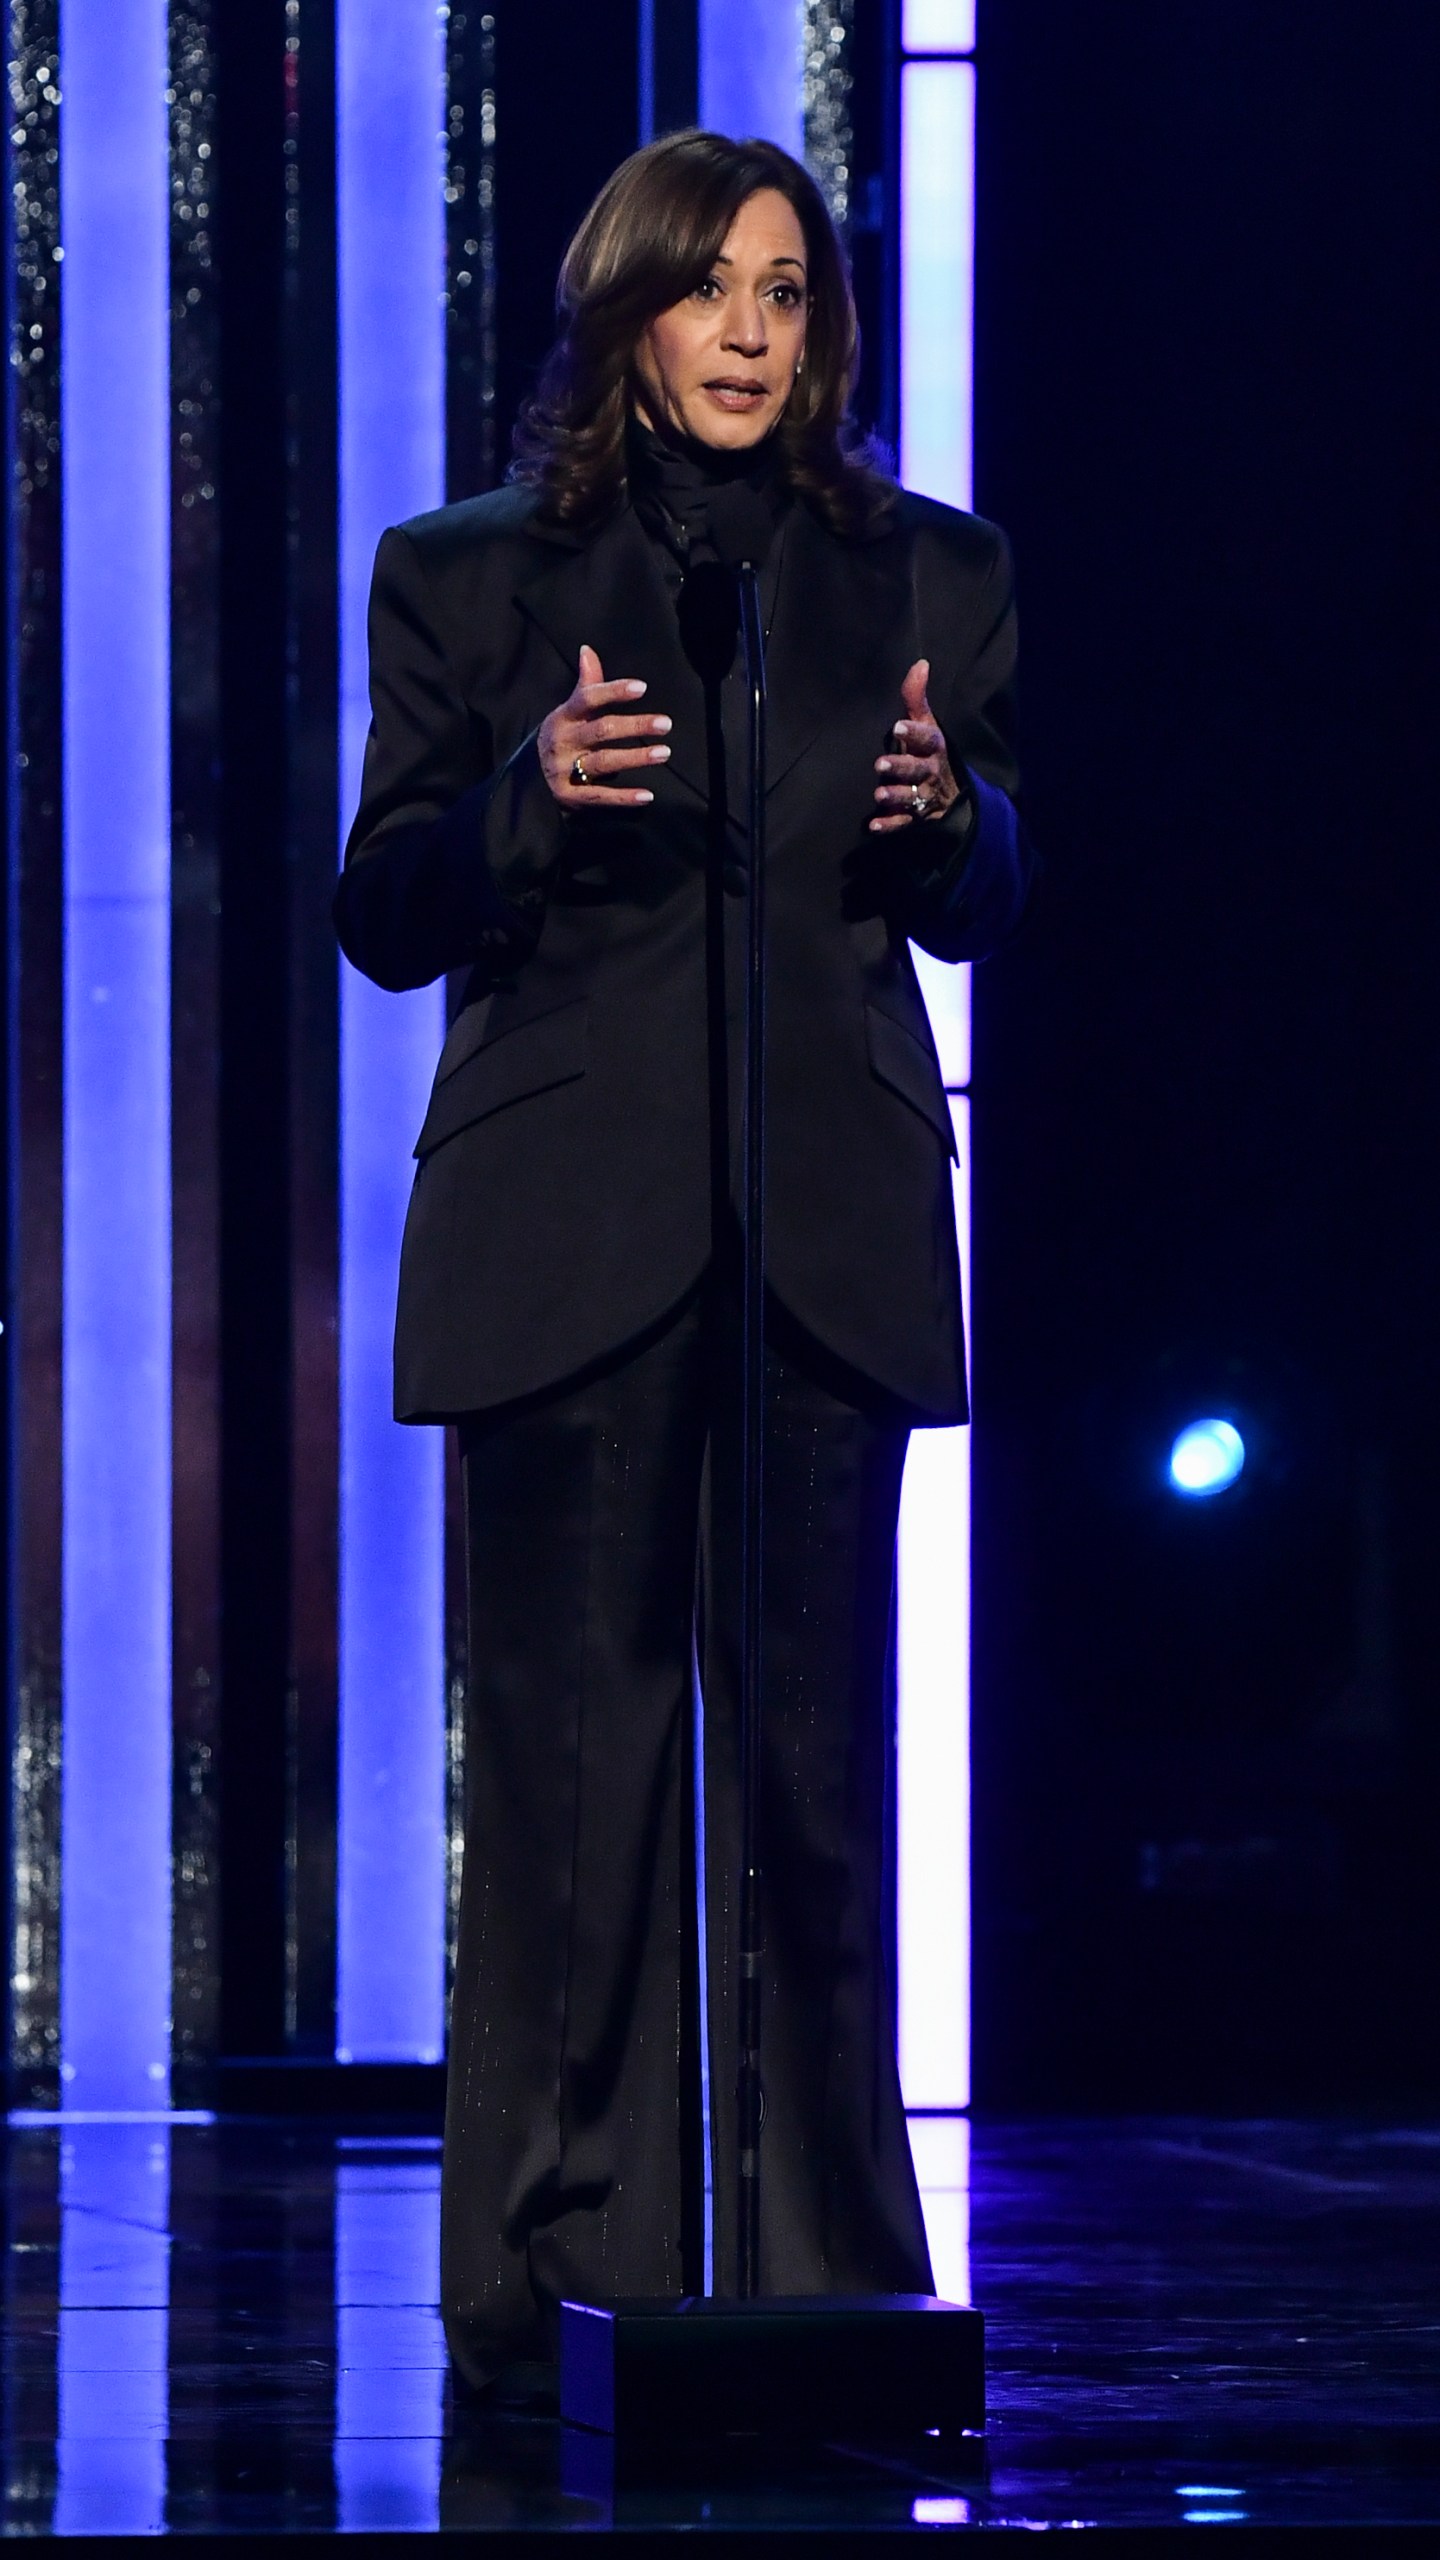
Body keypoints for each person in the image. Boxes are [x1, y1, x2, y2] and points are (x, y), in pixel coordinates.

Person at [335, 128, 1032, 2398]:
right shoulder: (467, 574)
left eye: (789, 290)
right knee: (573, 1773)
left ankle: (827, 2270)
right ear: (624, 310)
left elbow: (981, 893)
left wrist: (955, 823)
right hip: (571, 1234)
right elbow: (384, 905)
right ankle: (538, 2276)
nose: (753, 328)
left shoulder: (932, 569)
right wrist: (525, 797)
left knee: (821, 1777)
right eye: (710, 287)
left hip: (821, 1223)